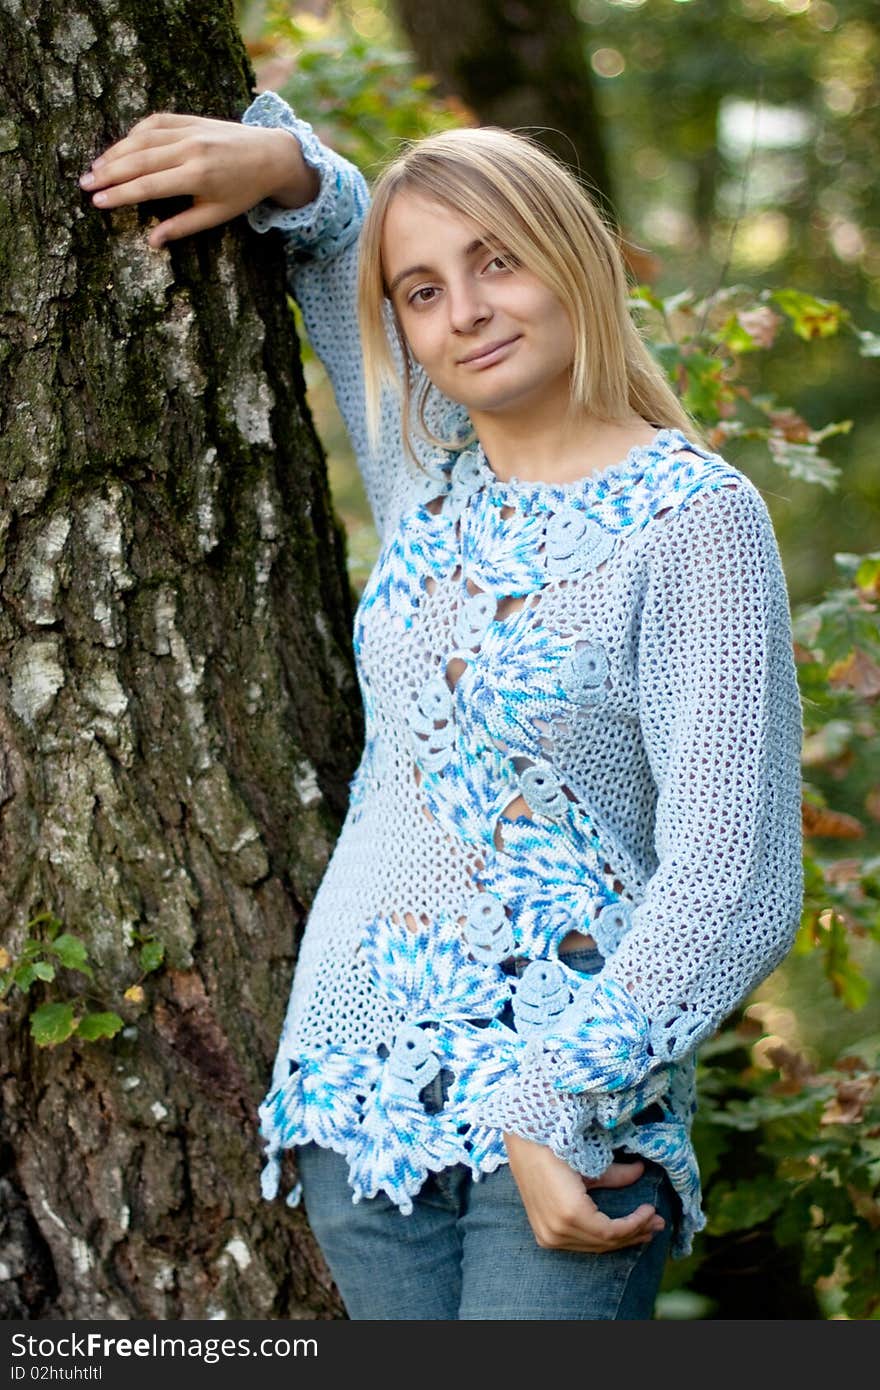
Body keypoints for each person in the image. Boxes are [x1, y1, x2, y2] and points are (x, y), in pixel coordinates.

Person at [78, 87, 804, 1321]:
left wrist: (553, 1097)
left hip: (568, 1117)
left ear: (571, 261)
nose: (462, 311)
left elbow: (733, 881)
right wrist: (290, 167)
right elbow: (338, 235)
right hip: (362, 1096)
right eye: (421, 292)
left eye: (497, 264)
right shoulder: (432, 471)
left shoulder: (694, 521)